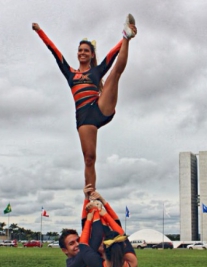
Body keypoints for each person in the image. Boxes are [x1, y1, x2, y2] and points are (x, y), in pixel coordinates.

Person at [32, 15, 137, 190]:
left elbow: (112, 55)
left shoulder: (96, 71)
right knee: (89, 158)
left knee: (114, 74)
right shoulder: (70, 73)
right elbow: (53, 50)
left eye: (86, 51)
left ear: (91, 54)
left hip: (99, 107)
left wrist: (126, 36)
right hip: (84, 117)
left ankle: (127, 36)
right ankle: (90, 197)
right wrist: (40, 31)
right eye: (80, 50)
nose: (82, 53)